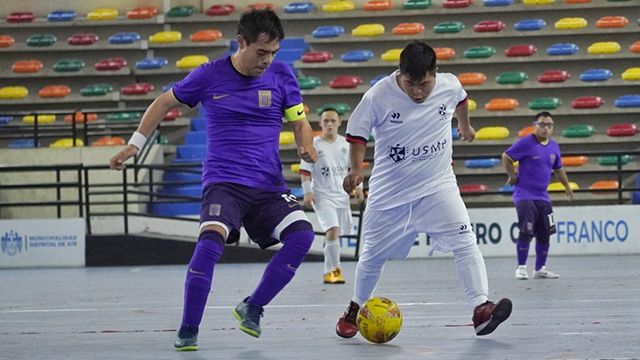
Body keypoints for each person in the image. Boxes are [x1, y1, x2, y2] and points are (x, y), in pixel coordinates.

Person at [109, 9, 317, 351]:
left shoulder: (282, 75)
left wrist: (305, 143)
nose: (267, 60)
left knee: (302, 237)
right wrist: (135, 144)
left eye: (273, 53)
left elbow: (299, 122)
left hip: (268, 187)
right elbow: (163, 103)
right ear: (241, 42)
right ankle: (189, 328)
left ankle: (253, 305)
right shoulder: (209, 75)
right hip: (225, 183)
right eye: (261, 52)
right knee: (209, 245)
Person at [336, 40, 512, 338]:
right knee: (372, 256)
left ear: (436, 74)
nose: (418, 91)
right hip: (390, 194)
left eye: (425, 85)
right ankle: (355, 307)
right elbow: (356, 135)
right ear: (399, 74)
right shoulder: (378, 96)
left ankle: (481, 307)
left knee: (465, 241)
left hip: (438, 186)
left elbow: (461, 100)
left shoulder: (449, 85)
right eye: (411, 84)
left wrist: (465, 126)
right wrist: (356, 170)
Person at [501, 111, 572, 280]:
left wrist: (566, 185)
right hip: (525, 195)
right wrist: (512, 175)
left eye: (549, 125)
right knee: (526, 231)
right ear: (535, 125)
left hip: (543, 197)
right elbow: (506, 156)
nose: (545, 129)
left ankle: (540, 268)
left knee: (545, 233)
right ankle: (521, 267)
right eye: (542, 125)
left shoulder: (554, 146)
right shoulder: (526, 143)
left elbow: (558, 168)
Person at [299, 108, 365, 284]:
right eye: (326, 121)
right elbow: (305, 171)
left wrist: (359, 188)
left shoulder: (346, 144)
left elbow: (355, 169)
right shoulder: (313, 145)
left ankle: (328, 270)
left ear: (339, 123)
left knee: (336, 233)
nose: (329, 124)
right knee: (333, 230)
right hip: (322, 195)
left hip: (342, 196)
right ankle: (334, 271)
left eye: (332, 121)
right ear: (320, 123)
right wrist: (307, 192)